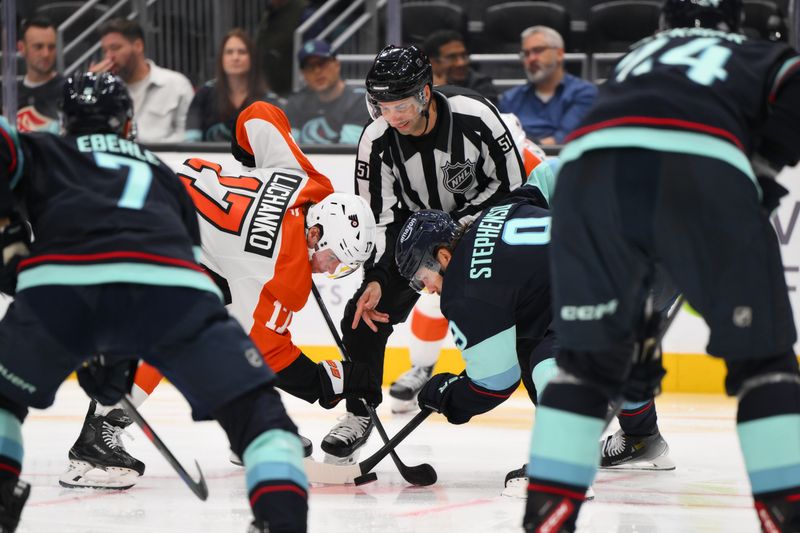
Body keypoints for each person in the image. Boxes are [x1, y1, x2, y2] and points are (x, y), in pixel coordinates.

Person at [523, 0, 800, 531]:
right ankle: (783, 514)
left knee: (585, 366)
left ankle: (546, 514)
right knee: (765, 365)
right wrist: (762, 162)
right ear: (731, 22)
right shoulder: (752, 50)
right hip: (700, 164)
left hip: (586, 173)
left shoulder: (638, 54)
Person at [0, 73, 308, 533]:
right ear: (128, 125)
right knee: (259, 415)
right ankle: (281, 521)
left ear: (65, 123)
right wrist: (119, 360)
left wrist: (9, 239)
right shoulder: (161, 172)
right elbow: (162, 274)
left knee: (3, 401)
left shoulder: (44, 150)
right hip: (175, 290)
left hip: (62, 284)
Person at [60, 100, 380, 489]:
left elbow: (259, 115)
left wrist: (245, 157)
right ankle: (95, 441)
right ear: (315, 234)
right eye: (334, 259)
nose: (331, 271)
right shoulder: (278, 269)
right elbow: (267, 349)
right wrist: (329, 381)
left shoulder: (306, 183)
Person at [320, 45, 527, 464]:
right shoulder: (376, 140)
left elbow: (515, 191)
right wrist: (377, 278)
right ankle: (358, 412)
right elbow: (381, 219)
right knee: (364, 315)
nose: (391, 116)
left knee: (531, 315)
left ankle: (563, 424)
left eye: (399, 105)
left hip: (482, 229)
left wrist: (467, 230)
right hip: (415, 240)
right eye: (381, 105)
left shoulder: (477, 117)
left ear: (425, 93)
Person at [91, 18, 194, 143]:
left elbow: (188, 136)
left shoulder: (176, 84)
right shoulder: (104, 89)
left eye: (115, 48)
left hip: (162, 159)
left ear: (138, 46)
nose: (108, 57)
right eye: (105, 51)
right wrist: (91, 87)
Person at [498, 26, 598, 145]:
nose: (531, 59)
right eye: (526, 53)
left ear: (560, 54)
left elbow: (565, 140)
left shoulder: (584, 93)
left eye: (538, 50)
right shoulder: (510, 99)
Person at [185, 29, 281, 142]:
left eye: (242, 52)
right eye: (229, 52)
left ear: (252, 58)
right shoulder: (204, 94)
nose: (235, 58)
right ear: (221, 58)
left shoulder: (269, 100)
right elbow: (191, 139)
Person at [283, 39, 369, 144]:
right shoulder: (296, 103)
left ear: (337, 65)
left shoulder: (359, 101)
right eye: (310, 67)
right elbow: (289, 147)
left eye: (322, 63)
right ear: (303, 74)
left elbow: (347, 151)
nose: (317, 71)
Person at [422, 30, 498, 104]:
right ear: (433, 62)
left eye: (464, 55)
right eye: (452, 57)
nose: (461, 63)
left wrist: (443, 91)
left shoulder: (482, 84)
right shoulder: (420, 87)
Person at [16, 17, 62, 133]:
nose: (46, 54)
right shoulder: (10, 94)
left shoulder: (68, 90)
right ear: (22, 48)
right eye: (38, 47)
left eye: (51, 47)